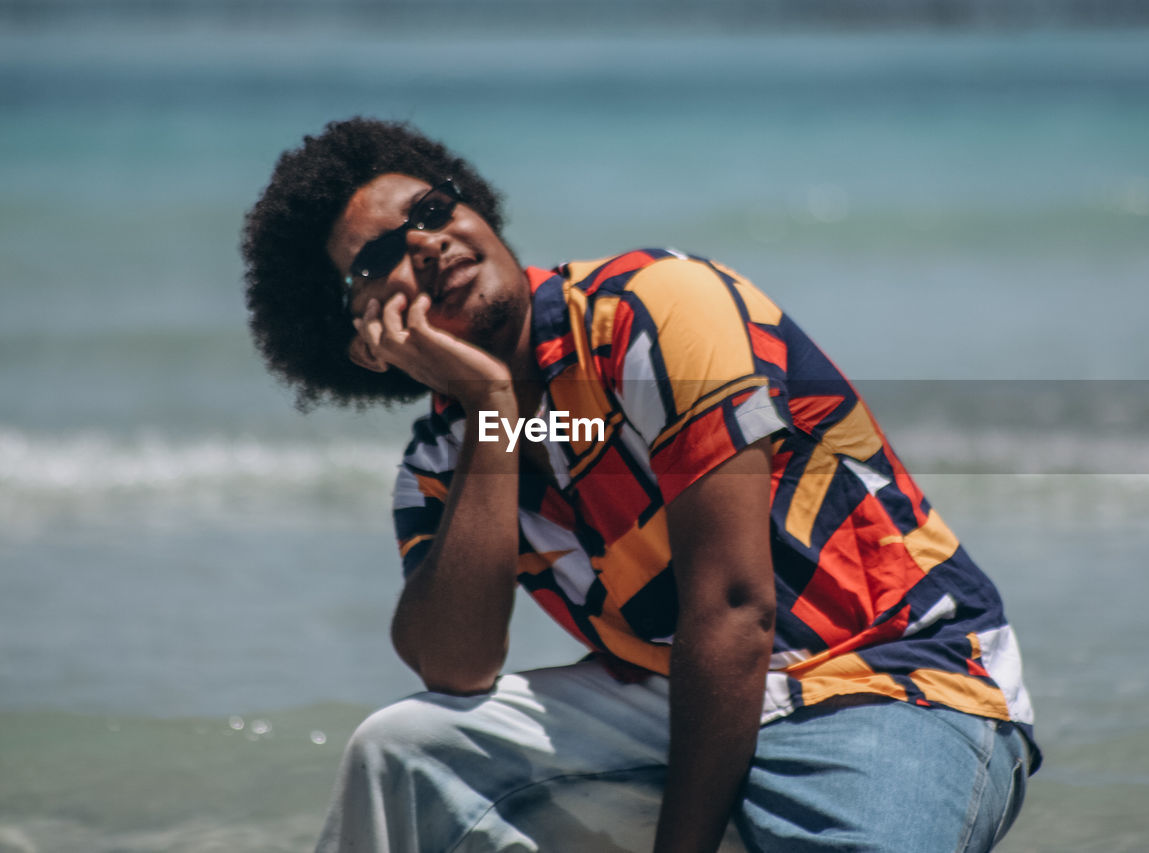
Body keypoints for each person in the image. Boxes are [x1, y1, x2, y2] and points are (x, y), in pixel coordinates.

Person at [242, 117, 1040, 853]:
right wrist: (491, 407)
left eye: (432, 208)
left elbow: (734, 612)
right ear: (367, 342)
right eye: (379, 258)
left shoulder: (654, 314)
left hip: (889, 677)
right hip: (680, 698)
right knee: (398, 748)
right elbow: (457, 665)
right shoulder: (441, 463)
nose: (427, 244)